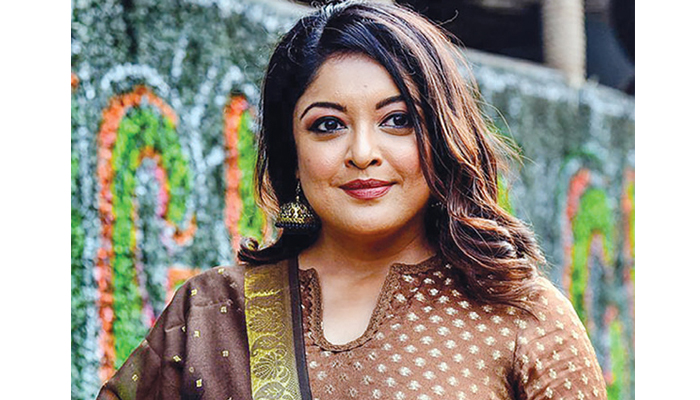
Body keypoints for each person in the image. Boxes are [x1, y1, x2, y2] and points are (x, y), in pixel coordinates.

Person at [97, 1, 608, 399]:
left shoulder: (521, 316)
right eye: (328, 125)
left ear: (442, 136)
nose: (363, 153)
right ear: (292, 153)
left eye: (398, 120)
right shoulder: (212, 313)